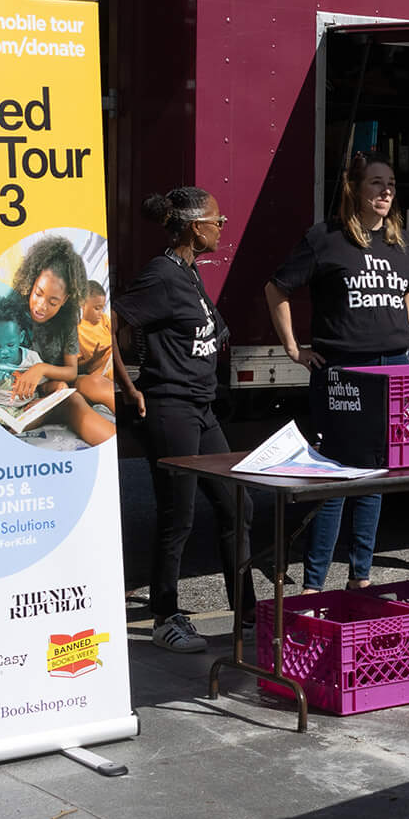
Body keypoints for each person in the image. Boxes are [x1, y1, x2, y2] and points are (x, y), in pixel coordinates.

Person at [265, 152, 409, 592]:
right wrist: (293, 348)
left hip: (392, 369)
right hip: (345, 372)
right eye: (375, 183)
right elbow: (276, 288)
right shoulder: (325, 239)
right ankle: (314, 584)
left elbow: (407, 291)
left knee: (374, 476)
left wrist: (404, 341)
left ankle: (360, 579)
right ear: (354, 188)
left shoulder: (400, 242)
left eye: (390, 183)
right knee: (333, 475)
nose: (386, 191)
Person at [117, 186, 252, 654]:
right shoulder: (160, 274)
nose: (222, 227)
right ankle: (165, 617)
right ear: (196, 227)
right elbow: (109, 322)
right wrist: (131, 387)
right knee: (179, 515)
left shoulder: (190, 273)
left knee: (238, 505)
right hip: (170, 405)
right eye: (218, 220)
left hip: (202, 405)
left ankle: (248, 614)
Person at [4, 234, 116, 449]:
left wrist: (42, 370)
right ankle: (111, 448)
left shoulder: (67, 321)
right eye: (38, 294)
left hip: (56, 386)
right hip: (29, 395)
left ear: (65, 300)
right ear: (31, 282)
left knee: (92, 382)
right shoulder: (11, 316)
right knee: (71, 400)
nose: (41, 306)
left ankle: (134, 440)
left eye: (53, 302)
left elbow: (71, 372)